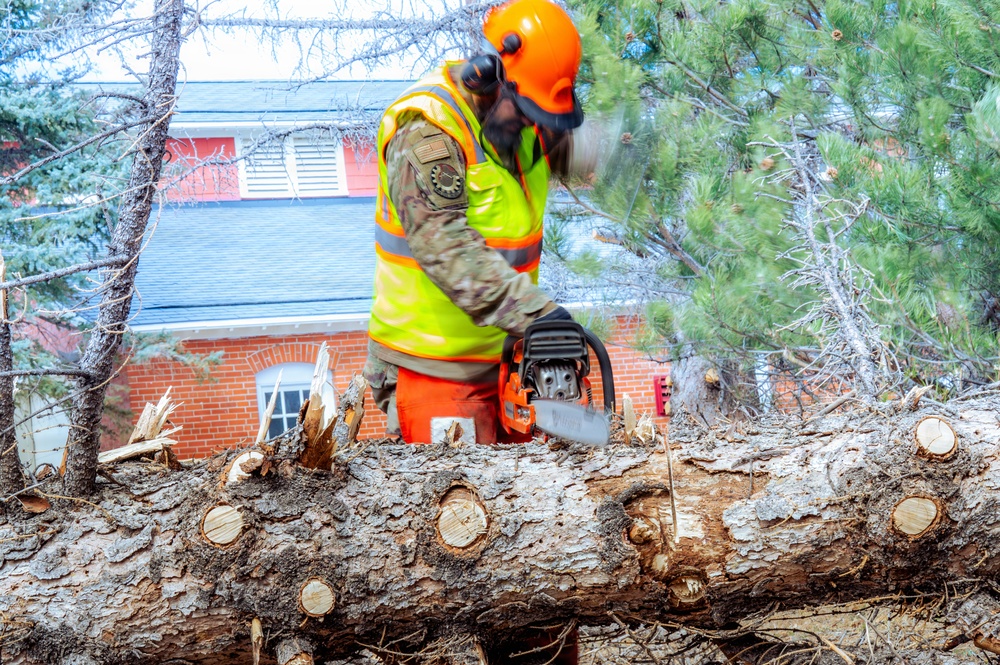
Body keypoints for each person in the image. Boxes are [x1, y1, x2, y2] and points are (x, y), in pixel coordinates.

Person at [364, 0, 594, 449]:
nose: (532, 125)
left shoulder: (524, 118)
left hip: (506, 359)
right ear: (487, 77)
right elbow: (445, 249)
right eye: (525, 111)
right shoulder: (428, 131)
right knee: (459, 493)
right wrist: (539, 316)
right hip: (432, 364)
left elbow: (590, 150)